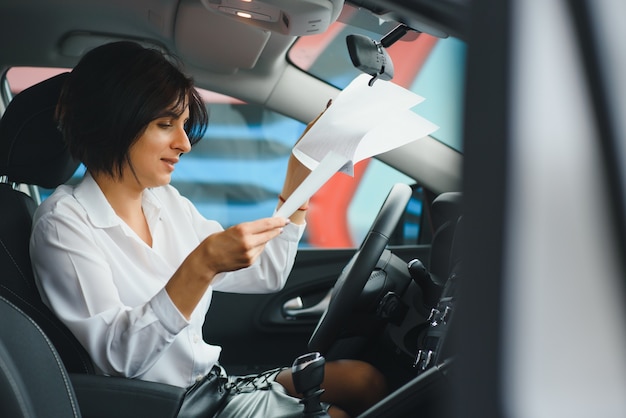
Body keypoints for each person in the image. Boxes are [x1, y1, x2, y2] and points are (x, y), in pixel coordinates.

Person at [29, 41, 386, 418]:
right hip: (168, 409)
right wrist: (200, 266)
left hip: (214, 388)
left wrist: (296, 192)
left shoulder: (166, 202)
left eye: (183, 126)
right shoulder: (63, 224)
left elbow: (267, 273)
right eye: (165, 125)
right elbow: (120, 358)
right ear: (114, 120)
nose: (183, 143)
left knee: (365, 380)